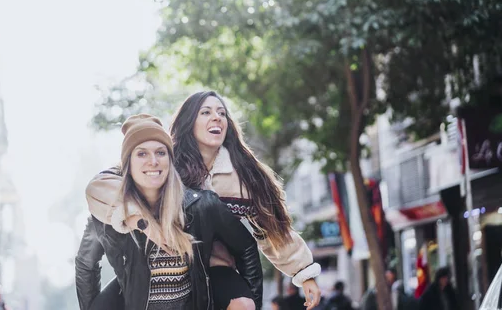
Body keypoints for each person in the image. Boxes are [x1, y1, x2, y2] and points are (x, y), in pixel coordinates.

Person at [83, 91, 322, 309]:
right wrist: (139, 218)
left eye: (221, 113)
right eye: (206, 112)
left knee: (242, 305)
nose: (216, 118)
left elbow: (273, 230)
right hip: (156, 268)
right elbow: (102, 185)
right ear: (190, 121)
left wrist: (303, 272)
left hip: (214, 267)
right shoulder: (164, 161)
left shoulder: (243, 176)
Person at [77, 114, 262, 309]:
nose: (153, 161)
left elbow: (246, 247)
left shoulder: (201, 206)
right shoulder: (110, 214)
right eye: (141, 154)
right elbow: (85, 264)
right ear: (128, 165)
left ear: (170, 159)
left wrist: (254, 302)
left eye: (161, 152)